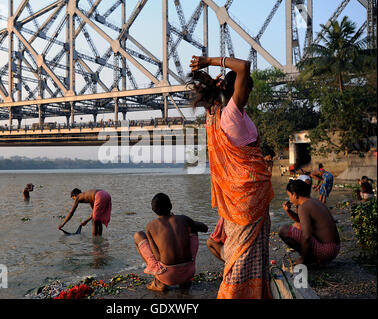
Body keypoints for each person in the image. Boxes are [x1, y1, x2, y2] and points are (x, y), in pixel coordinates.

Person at [188, 55, 274, 299]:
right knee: (245, 253)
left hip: (246, 196)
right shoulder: (232, 112)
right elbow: (244, 66)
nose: (249, 91)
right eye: (247, 86)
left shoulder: (221, 115)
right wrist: (209, 61)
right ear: (238, 87)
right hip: (247, 197)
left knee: (248, 251)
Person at [133, 193, 208, 292]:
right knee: (192, 229)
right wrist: (191, 224)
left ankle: (159, 283)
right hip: (189, 271)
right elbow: (205, 228)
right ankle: (184, 282)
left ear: (153, 210)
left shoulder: (151, 226)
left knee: (138, 235)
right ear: (171, 206)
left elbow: (157, 257)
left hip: (166, 276)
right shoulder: (183, 218)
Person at [279, 180, 340, 265]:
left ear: (295, 195)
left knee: (283, 230)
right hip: (334, 248)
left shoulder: (303, 207)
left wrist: (303, 259)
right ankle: (311, 258)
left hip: (326, 251)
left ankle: (309, 259)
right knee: (296, 226)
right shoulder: (315, 201)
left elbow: (306, 236)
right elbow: (300, 221)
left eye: (289, 195)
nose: (289, 199)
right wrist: (288, 211)